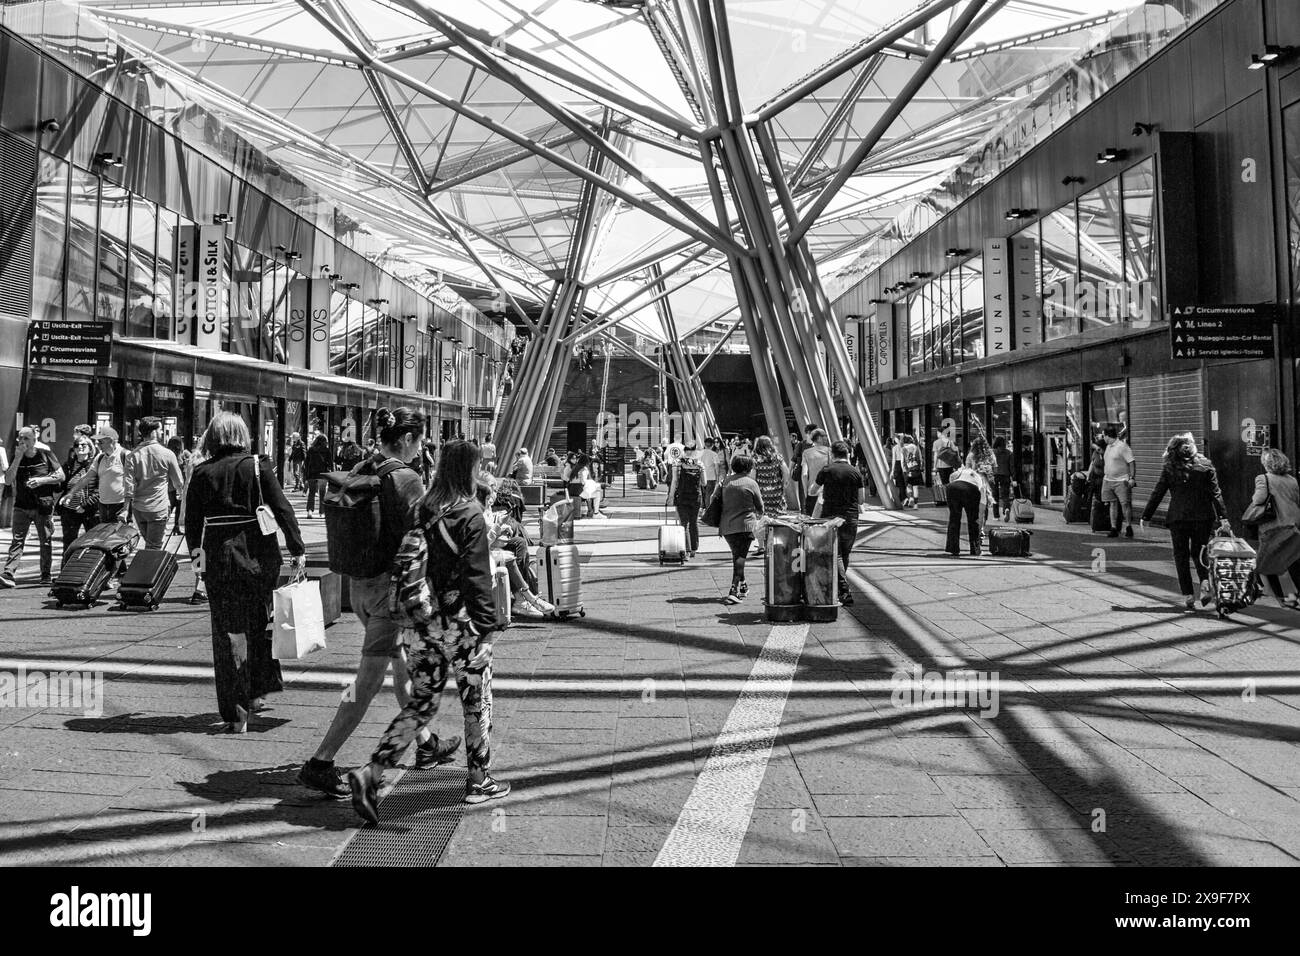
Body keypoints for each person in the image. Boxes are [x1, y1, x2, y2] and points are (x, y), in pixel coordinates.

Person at [299, 408, 460, 798]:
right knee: (367, 682)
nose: (421, 448)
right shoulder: (406, 478)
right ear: (406, 440)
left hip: (360, 587)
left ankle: (425, 745)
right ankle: (321, 761)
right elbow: (422, 533)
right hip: (391, 593)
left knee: (401, 667)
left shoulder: (363, 464)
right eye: (419, 440)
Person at [348, 439, 509, 820]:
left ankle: (370, 772)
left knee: (422, 703)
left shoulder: (424, 508)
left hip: (420, 626)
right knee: (476, 698)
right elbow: (476, 576)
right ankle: (479, 779)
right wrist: (487, 626)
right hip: (459, 625)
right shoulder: (469, 513)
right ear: (467, 470)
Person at [185, 412, 306, 733]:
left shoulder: (201, 472)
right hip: (259, 556)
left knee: (228, 634)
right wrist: (297, 548)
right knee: (258, 623)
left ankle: (236, 711)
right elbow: (283, 508)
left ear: (212, 436)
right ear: (242, 435)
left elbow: (192, 525)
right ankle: (256, 692)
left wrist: (198, 564)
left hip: (219, 558)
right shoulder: (258, 465)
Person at [1139, 433, 1230, 610]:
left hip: (1178, 518)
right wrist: (1223, 517)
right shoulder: (1206, 465)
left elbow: (1158, 492)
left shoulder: (1169, 467)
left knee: (1180, 555)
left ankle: (1188, 595)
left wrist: (1146, 516)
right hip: (1203, 517)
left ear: (1172, 450)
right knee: (1200, 552)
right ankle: (1204, 582)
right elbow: (1216, 493)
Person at [480, 479, 554, 617]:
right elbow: (483, 541)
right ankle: (526, 597)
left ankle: (525, 597)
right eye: (489, 495)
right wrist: (498, 527)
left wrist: (500, 527)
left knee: (518, 544)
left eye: (494, 492)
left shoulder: (485, 508)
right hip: (482, 552)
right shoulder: (477, 512)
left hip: (487, 548)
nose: (492, 498)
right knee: (514, 551)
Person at [1, 427, 64, 588]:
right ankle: (9, 572)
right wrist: (17, 457)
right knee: (17, 540)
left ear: (34, 439)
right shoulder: (17, 457)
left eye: (26, 438)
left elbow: (61, 476)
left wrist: (41, 481)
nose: (22, 441)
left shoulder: (45, 455)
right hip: (21, 505)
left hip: (42, 505)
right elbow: (8, 480)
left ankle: (45, 574)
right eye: (20, 438)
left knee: (45, 541)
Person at [1248, 448, 1300, 609]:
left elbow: (1259, 499)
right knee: (1292, 564)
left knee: (1264, 564)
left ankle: (1280, 596)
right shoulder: (1292, 480)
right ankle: (1292, 597)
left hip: (1273, 528)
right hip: (1293, 526)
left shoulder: (1263, 478)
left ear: (1267, 463)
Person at [817, 441, 864, 605]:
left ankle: (843, 589)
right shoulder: (855, 472)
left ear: (832, 454)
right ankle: (840, 589)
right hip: (851, 517)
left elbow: (812, 490)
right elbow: (861, 499)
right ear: (848, 454)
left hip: (830, 517)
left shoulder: (826, 470)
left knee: (834, 553)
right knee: (844, 553)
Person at [130, 417, 184, 550]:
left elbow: (128, 484)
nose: (161, 432)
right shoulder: (167, 454)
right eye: (160, 429)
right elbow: (179, 481)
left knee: (149, 543)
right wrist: (180, 493)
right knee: (154, 547)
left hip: (138, 508)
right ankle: (149, 570)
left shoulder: (132, 455)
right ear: (153, 432)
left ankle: (147, 568)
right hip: (158, 506)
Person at [718, 454, 764, 605]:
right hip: (745, 525)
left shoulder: (726, 482)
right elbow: (760, 507)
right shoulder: (751, 483)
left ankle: (743, 586)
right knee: (740, 557)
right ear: (748, 468)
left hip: (727, 525)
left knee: (736, 555)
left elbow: (714, 500)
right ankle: (733, 590)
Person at [56, 434, 101, 567]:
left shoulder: (96, 464)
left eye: (83, 445)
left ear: (90, 447)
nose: (80, 447)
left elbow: (100, 489)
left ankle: (94, 572)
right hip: (70, 511)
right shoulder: (68, 465)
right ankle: (65, 571)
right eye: (77, 445)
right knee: (69, 543)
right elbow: (61, 485)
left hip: (90, 511)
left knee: (94, 543)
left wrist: (86, 505)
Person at [752, 436, 790, 555]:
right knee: (776, 518)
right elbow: (786, 472)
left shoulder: (755, 459)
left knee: (761, 519)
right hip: (776, 493)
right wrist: (784, 485)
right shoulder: (778, 457)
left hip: (761, 493)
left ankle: (762, 546)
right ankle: (775, 544)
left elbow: (753, 477)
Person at [668, 442, 704, 558]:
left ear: (684, 450)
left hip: (682, 497)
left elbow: (674, 482)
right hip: (696, 497)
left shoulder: (677, 463)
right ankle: (694, 549)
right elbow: (704, 482)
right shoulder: (699, 463)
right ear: (695, 451)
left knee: (684, 523)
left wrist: (671, 496)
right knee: (694, 522)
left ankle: (687, 550)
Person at [92, 426, 133, 526]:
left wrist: (126, 510)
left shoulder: (126, 455)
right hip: (103, 506)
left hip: (120, 505)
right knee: (104, 538)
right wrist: (71, 493)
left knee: (119, 539)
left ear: (111, 441)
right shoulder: (100, 457)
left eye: (100, 442)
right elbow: (87, 477)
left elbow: (131, 484)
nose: (98, 445)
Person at [1102, 424, 1137, 539]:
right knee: (1112, 503)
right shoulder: (1108, 447)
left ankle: (1128, 527)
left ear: (1108, 436)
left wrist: (1131, 478)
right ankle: (1113, 528)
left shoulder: (1122, 447)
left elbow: (1131, 462)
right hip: (1108, 480)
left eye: (1104, 436)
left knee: (1124, 504)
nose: (1103, 438)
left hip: (1121, 480)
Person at [944, 465, 986, 557]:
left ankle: (953, 548)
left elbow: (952, 476)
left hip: (952, 487)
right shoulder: (980, 479)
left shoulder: (963, 470)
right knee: (973, 520)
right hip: (971, 490)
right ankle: (975, 549)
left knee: (954, 518)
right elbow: (982, 508)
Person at [966, 437, 996, 532]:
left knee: (974, 505)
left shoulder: (971, 455)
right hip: (986, 484)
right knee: (985, 506)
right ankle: (982, 526)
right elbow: (995, 469)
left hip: (974, 483)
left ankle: (976, 525)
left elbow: (967, 470)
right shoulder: (990, 455)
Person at [801, 428, 832, 516]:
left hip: (812, 491)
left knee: (811, 522)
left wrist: (806, 492)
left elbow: (804, 474)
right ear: (819, 438)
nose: (826, 437)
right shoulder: (829, 451)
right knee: (826, 522)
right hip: (826, 492)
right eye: (824, 436)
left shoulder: (806, 453)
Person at [167, 437, 191, 535]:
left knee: (176, 505)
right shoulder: (176, 456)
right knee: (174, 505)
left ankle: (176, 527)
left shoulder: (171, 454)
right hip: (177, 485)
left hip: (172, 485)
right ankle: (172, 525)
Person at [304, 434, 331, 518]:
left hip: (312, 474)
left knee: (311, 492)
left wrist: (306, 475)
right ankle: (322, 512)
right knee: (322, 493)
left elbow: (306, 463)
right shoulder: (326, 450)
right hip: (323, 474)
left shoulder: (311, 450)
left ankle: (310, 511)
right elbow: (330, 463)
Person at [991, 437, 1013, 520]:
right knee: (1005, 495)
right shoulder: (1009, 453)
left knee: (995, 495)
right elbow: (1011, 466)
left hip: (994, 475)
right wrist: (1012, 477)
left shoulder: (991, 453)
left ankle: (996, 516)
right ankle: (1006, 509)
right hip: (1005, 475)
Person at [901, 433, 924, 508]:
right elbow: (921, 459)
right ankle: (916, 504)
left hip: (908, 471)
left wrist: (904, 470)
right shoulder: (916, 448)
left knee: (908, 486)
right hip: (916, 470)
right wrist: (921, 467)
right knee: (915, 487)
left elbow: (902, 461)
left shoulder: (903, 449)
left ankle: (910, 498)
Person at [700, 436, 720, 508]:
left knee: (702, 494)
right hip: (711, 477)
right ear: (712, 445)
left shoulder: (700, 453)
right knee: (709, 494)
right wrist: (717, 477)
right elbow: (716, 467)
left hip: (701, 477)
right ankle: (708, 511)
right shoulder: (714, 454)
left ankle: (702, 509)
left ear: (705, 445)